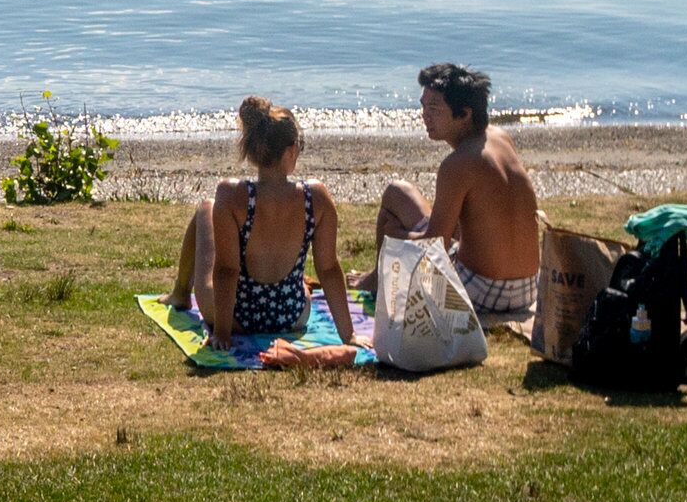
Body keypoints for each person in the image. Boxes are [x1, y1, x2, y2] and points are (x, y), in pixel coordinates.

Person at [167, 96, 355, 350]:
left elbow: (226, 270)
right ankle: (292, 284)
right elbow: (330, 269)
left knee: (205, 207)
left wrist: (222, 333)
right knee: (298, 281)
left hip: (237, 318)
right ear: (291, 151)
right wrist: (348, 336)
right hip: (292, 317)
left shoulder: (232, 195)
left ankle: (180, 293)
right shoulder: (317, 197)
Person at [376, 61, 542, 327]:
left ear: (464, 114)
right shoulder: (500, 138)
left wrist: (396, 237)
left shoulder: (457, 164)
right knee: (401, 193)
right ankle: (375, 277)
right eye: (423, 106)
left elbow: (435, 245)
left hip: (484, 292)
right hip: (528, 287)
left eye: (434, 109)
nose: (424, 116)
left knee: (394, 199)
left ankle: (377, 282)